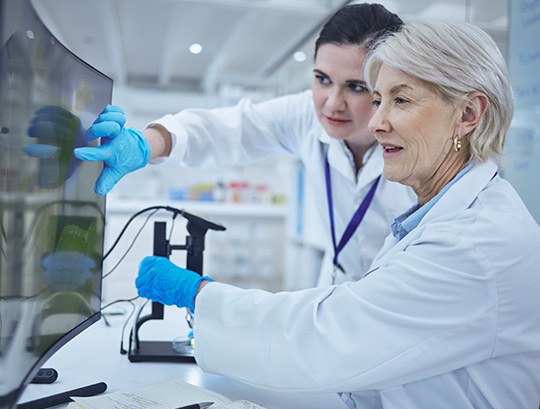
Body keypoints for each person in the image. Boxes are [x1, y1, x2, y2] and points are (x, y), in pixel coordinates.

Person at [135, 21, 540, 409]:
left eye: (400, 101)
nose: (376, 121)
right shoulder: (443, 205)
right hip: (370, 389)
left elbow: (333, 335)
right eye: (379, 99)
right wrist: (149, 140)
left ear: (468, 114)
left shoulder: (474, 243)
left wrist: (199, 294)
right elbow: (236, 128)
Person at [76, 4, 416, 286]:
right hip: (338, 292)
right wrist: (146, 144)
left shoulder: (420, 147)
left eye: (355, 87)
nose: (331, 103)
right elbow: (226, 130)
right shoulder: (304, 115)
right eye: (322, 79)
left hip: (405, 307)